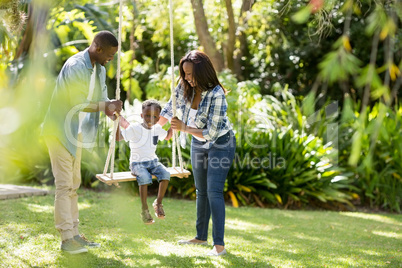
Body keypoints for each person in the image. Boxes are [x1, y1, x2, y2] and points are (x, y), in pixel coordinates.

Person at [42, 31, 123, 254]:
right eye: (109, 55)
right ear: (97, 49)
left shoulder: (100, 69)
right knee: (64, 185)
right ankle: (66, 238)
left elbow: (103, 100)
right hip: (59, 130)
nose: (111, 59)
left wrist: (117, 117)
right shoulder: (76, 65)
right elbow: (77, 103)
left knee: (74, 184)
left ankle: (75, 234)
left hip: (76, 133)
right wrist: (106, 106)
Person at [158, 50, 236, 256]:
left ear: (202, 72)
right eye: (185, 74)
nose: (188, 78)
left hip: (221, 143)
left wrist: (183, 128)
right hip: (198, 143)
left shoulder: (217, 94)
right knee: (201, 191)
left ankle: (219, 246)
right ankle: (200, 237)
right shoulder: (184, 86)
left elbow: (211, 132)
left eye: (191, 74)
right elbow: (168, 108)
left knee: (214, 191)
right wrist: (154, 130)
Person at [118, 100, 173, 225]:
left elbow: (168, 136)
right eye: (147, 115)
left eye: (154, 117)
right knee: (144, 177)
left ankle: (158, 203)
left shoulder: (157, 129)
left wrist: (173, 125)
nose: (150, 119)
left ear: (159, 118)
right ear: (142, 115)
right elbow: (118, 137)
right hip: (137, 163)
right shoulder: (134, 128)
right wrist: (117, 123)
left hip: (153, 161)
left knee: (165, 174)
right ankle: (144, 210)